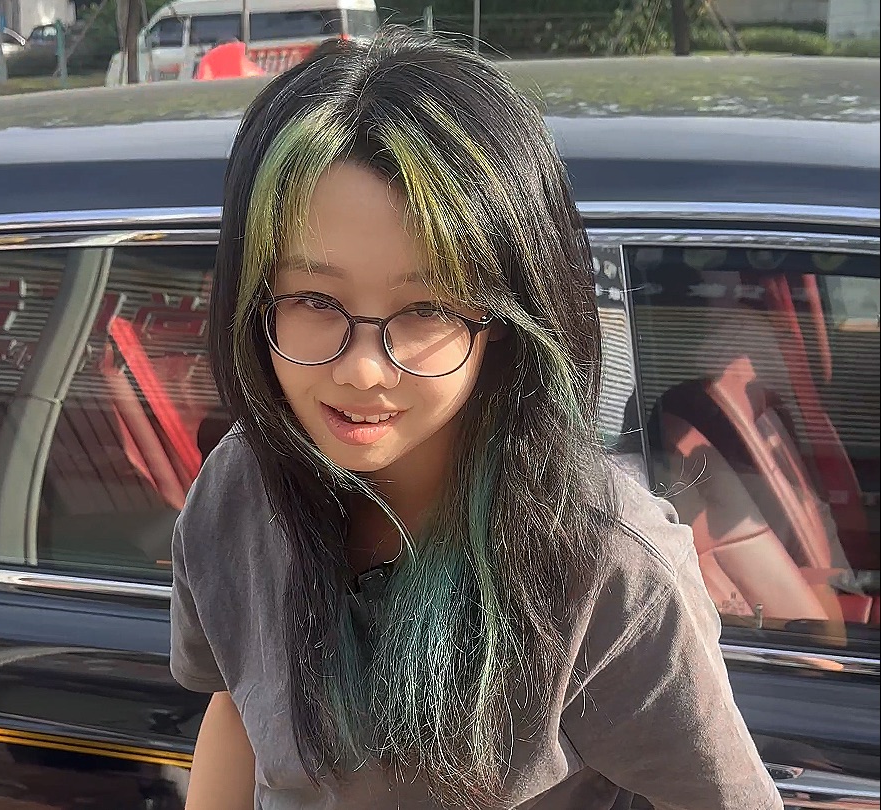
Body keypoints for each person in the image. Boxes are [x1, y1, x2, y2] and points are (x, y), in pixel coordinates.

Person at [170, 27, 782, 810]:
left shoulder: (604, 567)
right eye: (314, 300)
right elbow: (233, 710)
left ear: (504, 322)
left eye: (427, 308)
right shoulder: (236, 491)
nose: (363, 370)